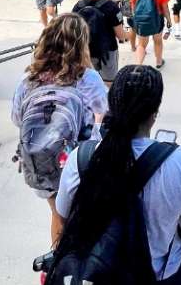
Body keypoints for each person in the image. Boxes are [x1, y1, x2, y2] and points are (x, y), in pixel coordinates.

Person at [51, 66, 181, 285]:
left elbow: (62, 217)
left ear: (112, 104)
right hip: (159, 283)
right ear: (154, 112)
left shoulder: (81, 157)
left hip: (96, 280)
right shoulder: (180, 162)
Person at [11, 13, 110, 243]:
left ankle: (56, 266)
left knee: (58, 213)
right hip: (78, 161)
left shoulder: (29, 79)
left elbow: (17, 118)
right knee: (84, 217)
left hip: (42, 164)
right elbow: (101, 117)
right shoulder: (88, 78)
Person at [71, 0, 128, 85]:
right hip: (107, 52)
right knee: (108, 83)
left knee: (86, 83)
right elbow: (121, 36)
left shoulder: (78, 6)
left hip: (85, 51)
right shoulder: (111, 7)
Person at [129, 0, 170, 68]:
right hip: (157, 20)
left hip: (141, 21)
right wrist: (169, 20)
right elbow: (165, 9)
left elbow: (133, 7)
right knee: (158, 41)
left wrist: (137, 20)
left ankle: (138, 65)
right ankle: (159, 62)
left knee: (141, 44)